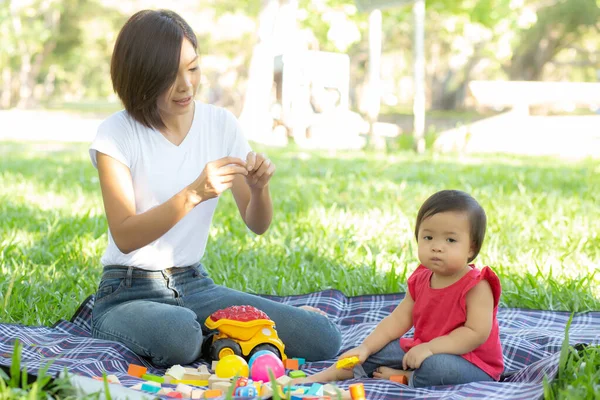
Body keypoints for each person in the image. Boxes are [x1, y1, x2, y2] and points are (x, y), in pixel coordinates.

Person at [88, 9, 341, 367]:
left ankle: (222, 341)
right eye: (169, 76)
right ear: (141, 78)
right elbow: (126, 234)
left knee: (321, 337)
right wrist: (193, 194)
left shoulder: (220, 124)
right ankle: (220, 341)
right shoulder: (116, 134)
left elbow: (257, 223)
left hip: (194, 284)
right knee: (179, 336)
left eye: (192, 68)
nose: (186, 85)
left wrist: (260, 188)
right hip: (127, 291)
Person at [297, 190, 504, 387]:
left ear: (471, 248)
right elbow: (398, 319)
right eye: (428, 237)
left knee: (436, 367)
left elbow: (474, 334)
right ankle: (331, 374)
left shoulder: (477, 285)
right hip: (424, 346)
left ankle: (407, 377)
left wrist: (430, 348)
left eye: (450, 240)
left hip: (472, 362)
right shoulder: (421, 278)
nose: (437, 247)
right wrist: (365, 347)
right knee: (379, 351)